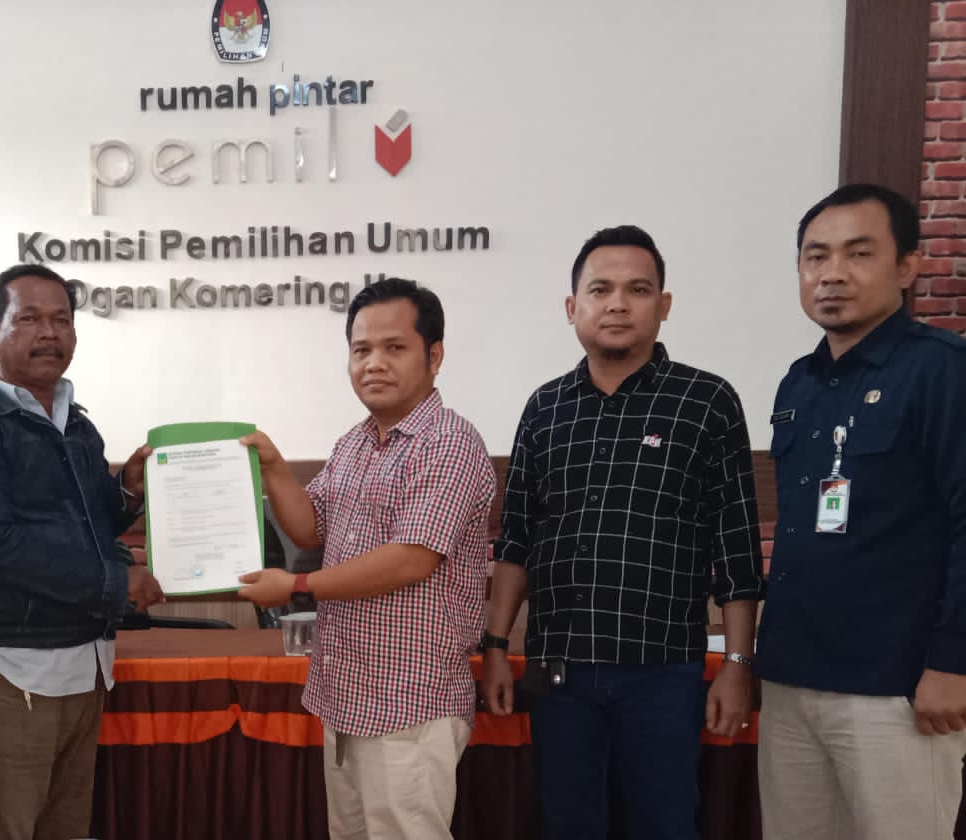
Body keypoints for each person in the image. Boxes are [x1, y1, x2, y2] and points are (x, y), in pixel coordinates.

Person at [482, 225, 764, 840]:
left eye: (638, 290)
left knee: (665, 825)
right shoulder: (544, 408)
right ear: (572, 307)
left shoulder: (706, 402)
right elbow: (517, 540)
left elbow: (736, 547)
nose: (617, 304)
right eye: (600, 289)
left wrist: (738, 664)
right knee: (568, 825)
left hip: (663, 671)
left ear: (664, 305)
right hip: (559, 669)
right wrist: (497, 647)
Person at [237, 277, 494, 840]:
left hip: (411, 703)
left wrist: (297, 586)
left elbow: (410, 560)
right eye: (361, 350)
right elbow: (310, 526)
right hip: (347, 694)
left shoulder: (449, 443)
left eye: (394, 347)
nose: (374, 363)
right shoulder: (354, 443)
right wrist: (275, 467)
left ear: (434, 356)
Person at [0, 263, 164, 840]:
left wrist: (127, 490)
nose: (49, 332)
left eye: (61, 320)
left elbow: (88, 523)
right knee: (5, 830)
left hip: (83, 663)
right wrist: (116, 584)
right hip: (12, 668)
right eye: (28, 319)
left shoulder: (76, 425)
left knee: (65, 829)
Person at [756, 184, 966, 840]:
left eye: (858, 253)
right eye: (816, 256)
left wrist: (954, 662)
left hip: (897, 688)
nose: (833, 273)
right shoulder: (798, 382)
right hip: (791, 680)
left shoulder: (942, 371)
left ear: (907, 267)